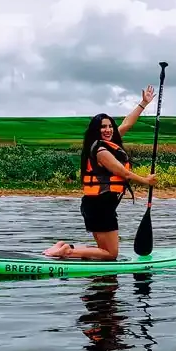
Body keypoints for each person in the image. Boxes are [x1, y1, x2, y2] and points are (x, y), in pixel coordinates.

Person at [43, 86, 158, 260]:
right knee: (111, 254)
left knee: (102, 250)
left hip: (96, 205)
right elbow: (122, 173)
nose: (108, 130)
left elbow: (127, 123)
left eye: (110, 126)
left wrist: (143, 103)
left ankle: (64, 246)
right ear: (96, 130)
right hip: (100, 207)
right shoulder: (100, 151)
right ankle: (67, 251)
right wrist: (146, 180)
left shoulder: (108, 142)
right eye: (103, 127)